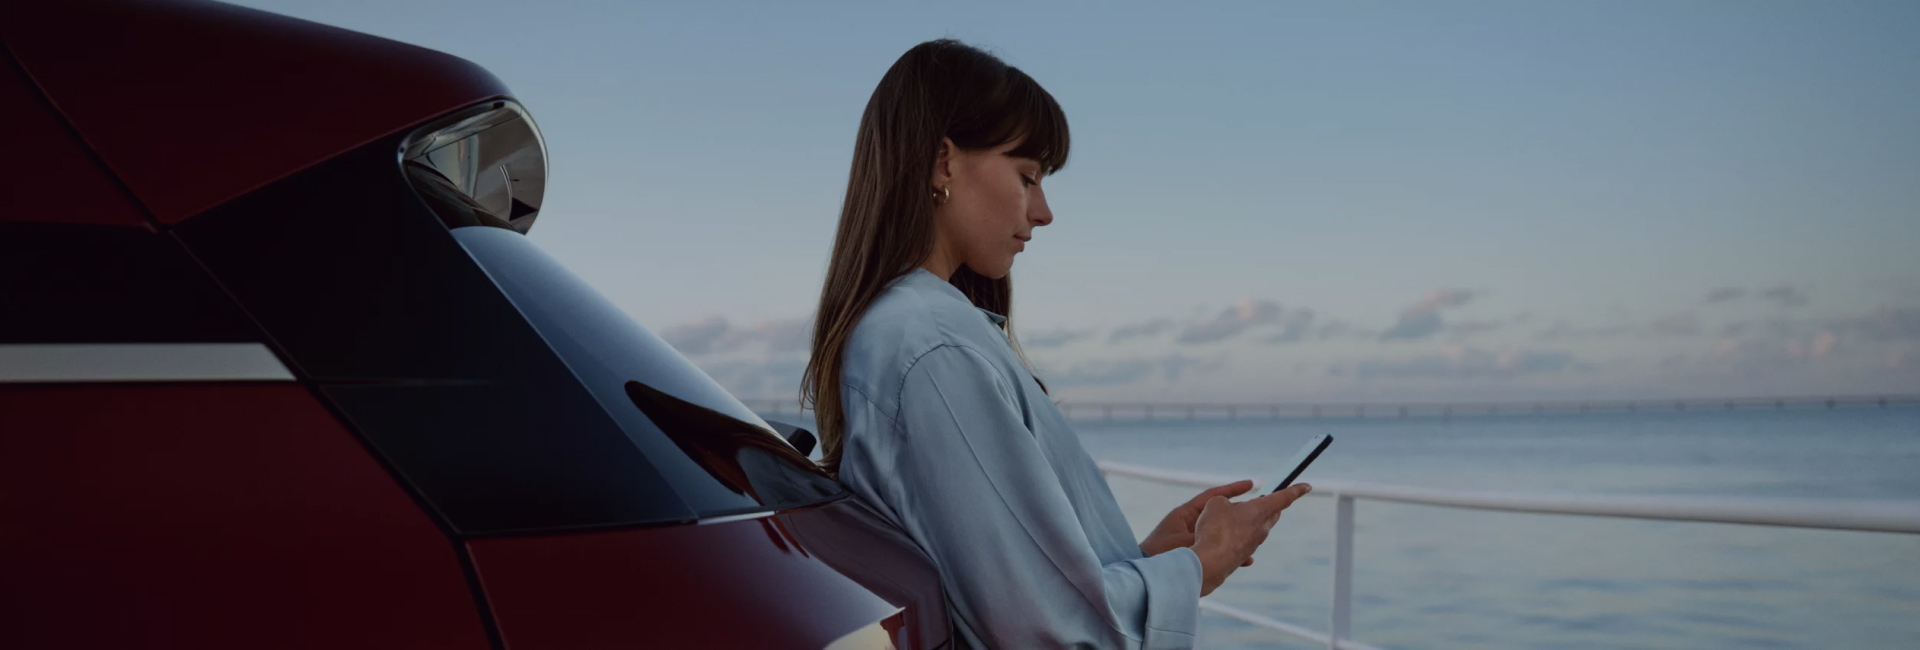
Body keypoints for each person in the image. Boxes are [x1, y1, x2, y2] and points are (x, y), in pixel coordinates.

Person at [800, 39, 1313, 649]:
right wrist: (1204, 564)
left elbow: (994, 580)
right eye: (1027, 177)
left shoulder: (914, 329)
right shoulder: (934, 346)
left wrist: (1147, 556)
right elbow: (1042, 631)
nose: (1043, 212)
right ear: (944, 162)